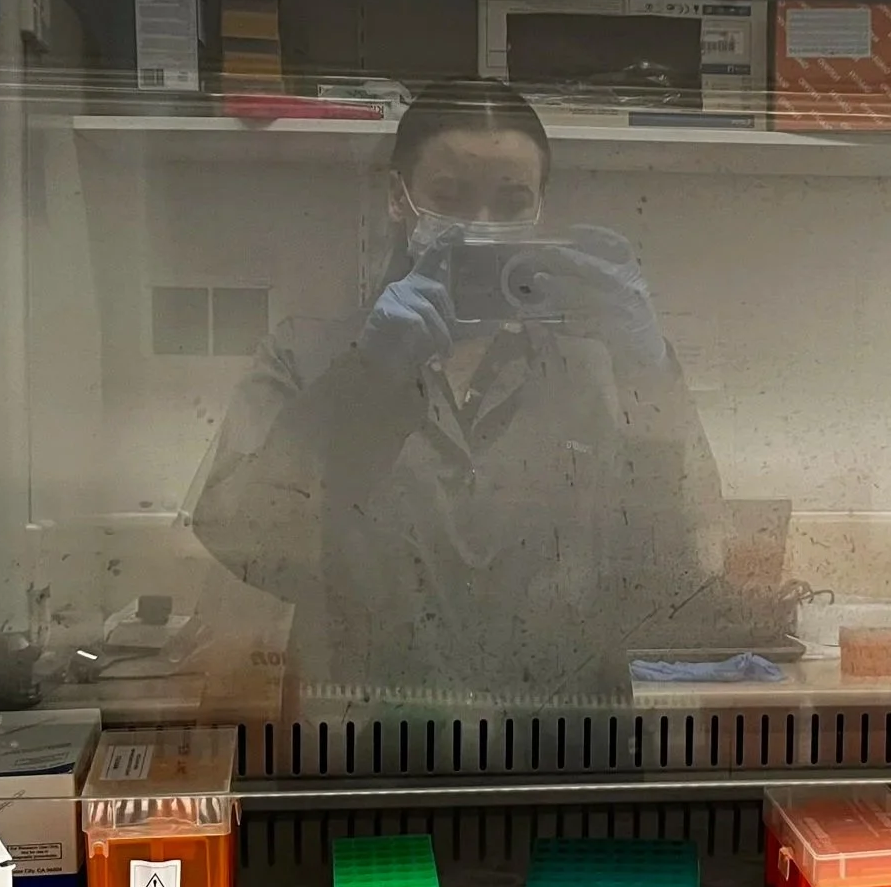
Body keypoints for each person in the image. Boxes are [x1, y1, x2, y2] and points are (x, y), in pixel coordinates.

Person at [191, 84, 725, 703]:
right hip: (374, 750)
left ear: (539, 209)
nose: (480, 227)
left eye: (511, 201)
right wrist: (367, 378)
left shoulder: (594, 368)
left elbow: (688, 563)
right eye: (449, 198)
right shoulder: (307, 356)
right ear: (399, 197)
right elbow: (243, 541)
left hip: (564, 753)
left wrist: (648, 368)